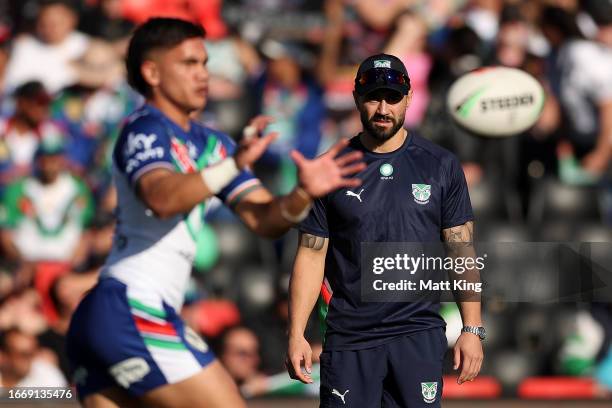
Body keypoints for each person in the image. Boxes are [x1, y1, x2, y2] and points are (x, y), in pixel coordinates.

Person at [66, 17, 365, 408]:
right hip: (131, 307)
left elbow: (266, 219)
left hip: (114, 316)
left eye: (205, 63)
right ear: (151, 72)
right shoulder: (145, 129)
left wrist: (302, 194)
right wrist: (233, 164)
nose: (203, 74)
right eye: (189, 63)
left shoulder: (212, 144)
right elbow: (161, 197)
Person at [286, 54, 484, 407]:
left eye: (392, 98)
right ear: (356, 99)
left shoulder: (440, 164)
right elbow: (312, 252)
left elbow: (460, 250)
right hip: (349, 339)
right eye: (373, 97)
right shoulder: (330, 168)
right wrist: (297, 332)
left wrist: (471, 329)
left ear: (408, 98)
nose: (382, 108)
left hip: (417, 334)